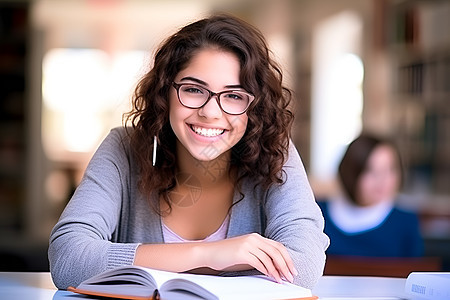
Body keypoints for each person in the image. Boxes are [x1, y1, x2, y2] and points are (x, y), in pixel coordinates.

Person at [48, 14, 329, 290]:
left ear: (253, 108)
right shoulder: (123, 149)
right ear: (164, 92)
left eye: (233, 96)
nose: (210, 112)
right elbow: (68, 259)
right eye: (194, 90)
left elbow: (303, 265)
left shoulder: (274, 152)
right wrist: (208, 254)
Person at [317, 134, 423, 257]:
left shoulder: (405, 222)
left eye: (390, 170)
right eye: (371, 170)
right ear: (351, 172)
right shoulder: (318, 214)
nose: (382, 180)